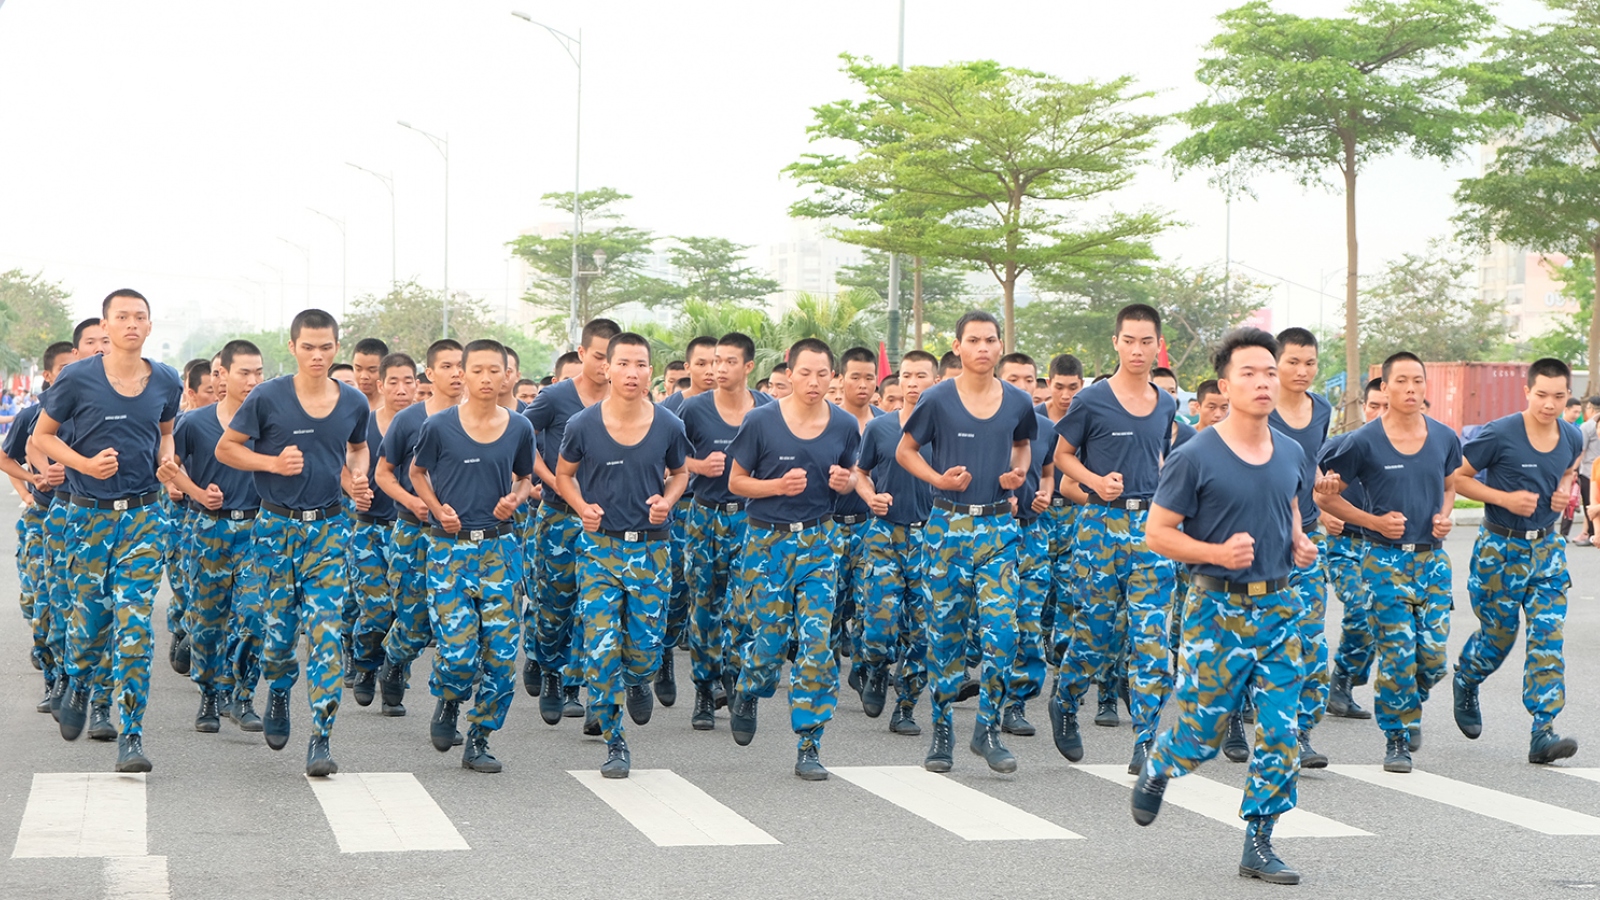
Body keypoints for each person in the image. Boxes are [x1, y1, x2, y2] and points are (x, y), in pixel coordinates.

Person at [1133, 327, 1316, 887]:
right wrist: (1215, 551)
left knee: (1282, 730)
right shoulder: (1195, 456)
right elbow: (1157, 533)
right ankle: (1162, 763)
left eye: (1269, 372)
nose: (1263, 382)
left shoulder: (1291, 451)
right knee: (1202, 736)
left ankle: (1259, 841)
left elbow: (1286, 507)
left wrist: (1298, 540)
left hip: (1281, 609)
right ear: (1224, 384)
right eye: (1249, 373)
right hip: (1216, 612)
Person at [32, 289, 183, 773]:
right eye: (122, 317)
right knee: (92, 620)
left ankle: (132, 735)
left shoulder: (164, 379)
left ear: (150, 325)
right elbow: (43, 436)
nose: (132, 324)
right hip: (88, 514)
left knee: (135, 624)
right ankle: (77, 679)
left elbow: (165, 433)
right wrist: (85, 465)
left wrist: (167, 463)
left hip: (143, 515)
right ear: (107, 323)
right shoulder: (77, 378)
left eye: (141, 316)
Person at [216, 308, 370, 777]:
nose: (318, 355)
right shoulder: (267, 397)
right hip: (275, 529)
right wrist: (269, 464)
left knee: (325, 632)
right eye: (308, 347)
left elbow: (358, 446)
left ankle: (321, 738)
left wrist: (356, 476)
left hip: (328, 528)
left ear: (336, 348)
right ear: (293, 347)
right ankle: (278, 690)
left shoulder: (353, 402)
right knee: (278, 636)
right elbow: (228, 447)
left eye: (326, 347)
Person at [897, 311, 1035, 774]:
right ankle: (941, 730)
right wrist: (939, 479)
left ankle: (988, 728)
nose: (982, 347)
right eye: (973, 340)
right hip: (947, 527)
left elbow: (1022, 445)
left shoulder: (1018, 400)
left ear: (1000, 346)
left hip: (997, 528)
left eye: (990, 340)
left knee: (1003, 635)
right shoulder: (937, 399)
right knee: (945, 635)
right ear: (957, 347)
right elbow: (905, 451)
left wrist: (1017, 475)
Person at [1049, 303, 1178, 776]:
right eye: (1130, 340)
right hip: (1100, 526)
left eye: (1147, 341)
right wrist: (1094, 483)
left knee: (1150, 639)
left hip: (1151, 530)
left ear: (1156, 345)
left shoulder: (1167, 404)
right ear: (1116, 342)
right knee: (1097, 633)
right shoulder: (1091, 400)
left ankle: (1145, 740)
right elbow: (1062, 456)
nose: (1138, 349)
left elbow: (1161, 458)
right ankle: (1066, 698)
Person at [1317, 351, 1460, 773]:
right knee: (1398, 653)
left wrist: (1445, 515)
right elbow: (1326, 495)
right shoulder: (1363, 442)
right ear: (1385, 386)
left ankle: (1408, 699)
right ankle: (1397, 738)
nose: (1411, 388)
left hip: (1432, 562)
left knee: (1431, 659)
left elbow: (1451, 485)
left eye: (1418, 380)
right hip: (1383, 562)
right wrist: (1372, 521)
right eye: (1402, 381)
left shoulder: (1444, 437)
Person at [727, 337, 861, 780]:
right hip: (767, 542)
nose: (814, 382)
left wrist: (844, 483)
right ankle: (749, 685)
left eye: (823, 374)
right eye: (805, 372)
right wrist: (776, 487)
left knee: (817, 644)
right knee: (769, 642)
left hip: (820, 543)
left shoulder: (843, 425)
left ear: (833, 378)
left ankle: (810, 742)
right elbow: (737, 482)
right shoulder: (761, 421)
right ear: (789, 371)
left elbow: (847, 478)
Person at [557, 333, 690, 777]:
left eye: (641, 364)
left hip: (651, 550)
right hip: (600, 549)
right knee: (601, 645)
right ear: (607, 369)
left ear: (650, 371)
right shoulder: (582, 424)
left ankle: (638, 680)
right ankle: (616, 742)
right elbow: (564, 475)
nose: (633, 373)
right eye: (624, 364)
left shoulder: (669, 425)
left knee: (644, 650)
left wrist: (667, 501)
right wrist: (581, 508)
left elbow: (680, 473)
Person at [411, 340, 536, 773]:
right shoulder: (440, 426)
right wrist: (434, 506)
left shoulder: (520, 427)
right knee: (459, 649)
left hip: (500, 549)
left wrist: (515, 500)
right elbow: (416, 472)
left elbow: (525, 478)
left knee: (502, 654)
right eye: (477, 370)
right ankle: (448, 698)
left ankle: (480, 737)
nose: (486, 379)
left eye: (494, 371)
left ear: (507, 376)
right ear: (463, 374)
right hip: (450, 550)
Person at [1452, 358, 1583, 764]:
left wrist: (1563, 489)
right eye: (1542, 394)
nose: (1549, 404)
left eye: (1558, 396)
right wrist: (1504, 498)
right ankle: (1467, 678)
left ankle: (1543, 730)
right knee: (1499, 636)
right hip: (1500, 549)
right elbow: (1456, 476)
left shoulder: (1572, 436)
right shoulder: (1500, 432)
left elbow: (1568, 470)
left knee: (1548, 637)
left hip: (1546, 550)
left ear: (1566, 397)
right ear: (1527, 391)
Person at [159, 340, 266, 733]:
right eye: (245, 372)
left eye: (259, 373)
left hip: (258, 529)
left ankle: (242, 695)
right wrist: (196, 491)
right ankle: (210, 694)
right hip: (209, 528)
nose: (253, 380)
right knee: (207, 620)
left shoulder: (269, 423)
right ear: (222, 375)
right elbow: (171, 469)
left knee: (254, 617)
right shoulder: (195, 423)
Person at [678, 333, 772, 729]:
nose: (719, 369)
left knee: (745, 605)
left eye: (729, 362)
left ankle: (735, 678)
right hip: (704, 516)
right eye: (715, 361)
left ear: (748, 367)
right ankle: (704, 688)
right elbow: (668, 456)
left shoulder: (768, 409)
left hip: (749, 519)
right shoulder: (692, 409)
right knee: (704, 605)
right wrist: (698, 467)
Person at [528, 318, 619, 725]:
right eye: (598, 356)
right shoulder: (555, 398)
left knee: (596, 610)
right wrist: (551, 480)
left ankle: (578, 689)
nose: (605, 365)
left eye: (610, 358)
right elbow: (519, 436)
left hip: (606, 524)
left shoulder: (625, 400)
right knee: (556, 604)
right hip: (560, 516)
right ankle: (548, 669)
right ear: (582, 354)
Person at [372, 340, 465, 717]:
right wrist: (412, 501)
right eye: (447, 366)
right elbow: (383, 474)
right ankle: (394, 661)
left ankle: (449, 704)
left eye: (462, 365)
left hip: (463, 538)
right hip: (415, 531)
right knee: (412, 618)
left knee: (457, 622)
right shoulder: (409, 420)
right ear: (430, 373)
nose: (457, 373)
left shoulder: (486, 419)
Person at [853, 350, 939, 735]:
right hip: (885, 534)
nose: (913, 382)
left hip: (931, 536)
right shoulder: (881, 428)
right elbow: (860, 473)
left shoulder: (946, 429)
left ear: (935, 381)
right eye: (907, 375)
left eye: (922, 375)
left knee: (922, 629)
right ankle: (873, 668)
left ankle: (905, 704)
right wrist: (870, 496)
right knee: (879, 623)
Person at [1259, 327, 1334, 767]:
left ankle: (1300, 734)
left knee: (1311, 640)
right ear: (1276, 363)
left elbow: (1313, 462)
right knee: (1257, 638)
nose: (1302, 371)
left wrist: (1325, 494)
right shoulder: (1259, 409)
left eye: (1309, 363)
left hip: (1306, 538)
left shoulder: (1321, 409)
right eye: (1293, 362)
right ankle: (1235, 718)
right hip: (1260, 539)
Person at [0, 340, 74, 711]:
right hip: (43, 516)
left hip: (83, 520)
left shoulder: (96, 412)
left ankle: (73, 679)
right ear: (48, 376)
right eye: (64, 369)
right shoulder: (33, 414)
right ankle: (53, 676)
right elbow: (6, 456)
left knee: (78, 605)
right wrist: (30, 486)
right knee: (39, 603)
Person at [345, 354, 416, 707]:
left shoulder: (426, 424)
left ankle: (395, 669)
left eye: (408, 381)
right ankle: (367, 664)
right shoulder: (365, 424)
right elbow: (340, 463)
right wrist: (352, 488)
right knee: (373, 607)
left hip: (412, 531)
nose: (401, 390)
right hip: (370, 527)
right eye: (394, 382)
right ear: (381, 384)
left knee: (407, 610)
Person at [656, 336, 719, 708]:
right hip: (682, 507)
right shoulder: (671, 410)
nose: (711, 371)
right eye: (702, 364)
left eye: (717, 363)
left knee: (718, 600)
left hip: (730, 513)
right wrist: (698, 467)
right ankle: (664, 654)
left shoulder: (744, 406)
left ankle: (715, 679)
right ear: (688, 367)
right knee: (678, 592)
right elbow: (663, 462)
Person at [998, 352, 1056, 737]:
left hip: (1032, 533)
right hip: (990, 532)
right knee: (995, 623)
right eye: (1014, 379)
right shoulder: (987, 423)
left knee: (1028, 621)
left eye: (1029, 380)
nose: (1023, 387)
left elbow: (1048, 472)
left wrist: (1045, 494)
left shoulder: (1047, 428)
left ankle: (1016, 703)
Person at [1322, 378, 1386, 720]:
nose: (1379, 413)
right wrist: (1321, 514)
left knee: (1376, 615)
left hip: (1382, 548)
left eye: (1386, 406)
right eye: (1374, 405)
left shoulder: (1405, 448)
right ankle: (1340, 682)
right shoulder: (1342, 445)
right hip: (1345, 544)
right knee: (1360, 609)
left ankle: (1346, 680)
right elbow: (1302, 481)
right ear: (1364, 406)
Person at [831, 347, 883, 668]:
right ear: (840, 379)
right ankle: (828, 659)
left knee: (871, 600)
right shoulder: (828, 421)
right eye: (855, 377)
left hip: (871, 525)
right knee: (830, 604)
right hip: (830, 525)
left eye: (869, 378)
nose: (863, 384)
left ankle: (865, 668)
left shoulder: (886, 425)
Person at [1036, 354, 1087, 669]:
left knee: (1069, 584)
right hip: (1039, 511)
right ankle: (1038, 637)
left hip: (1074, 510)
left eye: (1073, 387)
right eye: (1060, 387)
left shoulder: (1088, 416)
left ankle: (1064, 648)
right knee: (1040, 582)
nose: (1066, 395)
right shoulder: (1032, 418)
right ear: (1048, 383)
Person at [1574, 396, 1600, 546]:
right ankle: (1591, 533)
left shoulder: (1585, 426)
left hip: (1585, 470)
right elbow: (1593, 504)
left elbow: (1581, 451)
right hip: (1590, 471)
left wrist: (1572, 470)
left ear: (1590, 408)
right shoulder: (1597, 463)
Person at [351, 338, 390, 410]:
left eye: (372, 370)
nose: (364, 376)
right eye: (358, 369)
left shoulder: (393, 406)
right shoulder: (345, 404)